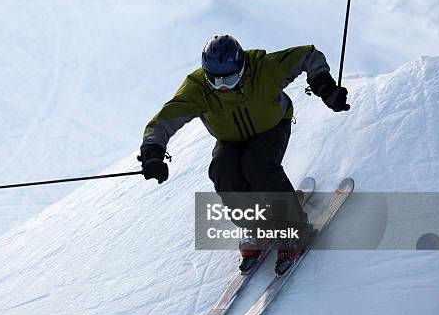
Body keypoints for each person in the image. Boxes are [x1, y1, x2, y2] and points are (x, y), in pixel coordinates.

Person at [137, 34, 349, 275]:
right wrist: (152, 152)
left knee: (257, 166)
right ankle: (258, 228)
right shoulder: (197, 88)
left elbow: (308, 55)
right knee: (222, 171)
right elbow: (166, 119)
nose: (224, 86)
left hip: (272, 127)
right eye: (216, 81)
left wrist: (326, 88)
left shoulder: (263, 69)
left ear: (243, 67)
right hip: (230, 139)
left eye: (230, 78)